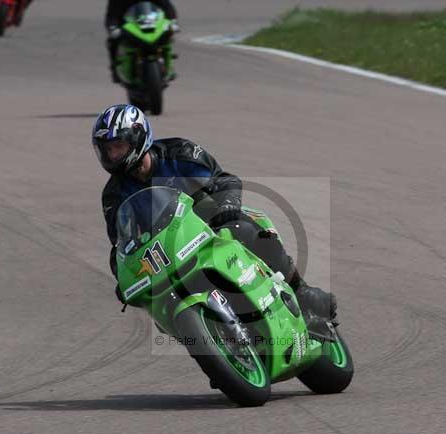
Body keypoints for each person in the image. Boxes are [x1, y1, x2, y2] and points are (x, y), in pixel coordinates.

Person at [94, 104, 337, 326]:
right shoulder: (114, 195)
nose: (113, 155)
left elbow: (224, 180)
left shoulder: (180, 152)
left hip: (209, 223)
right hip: (167, 252)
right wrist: (122, 277)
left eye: (119, 146)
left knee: (242, 227)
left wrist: (227, 206)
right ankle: (213, 353)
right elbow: (121, 244)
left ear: (137, 137)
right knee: (158, 303)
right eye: (108, 149)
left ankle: (301, 291)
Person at [104, 0, 179, 83]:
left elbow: (167, 7)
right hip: (129, 26)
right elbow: (111, 16)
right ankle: (115, 70)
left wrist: (173, 21)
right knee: (113, 41)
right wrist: (113, 28)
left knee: (168, 34)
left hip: (152, 23)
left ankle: (168, 64)